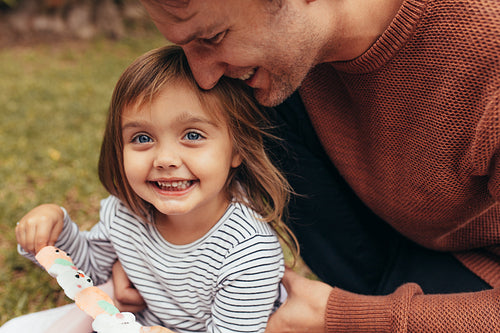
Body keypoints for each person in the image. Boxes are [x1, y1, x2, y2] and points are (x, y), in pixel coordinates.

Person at [107, 0, 499, 332]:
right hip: (386, 245)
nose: (203, 73)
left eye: (212, 38)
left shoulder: (488, 53)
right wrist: (158, 255)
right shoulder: (278, 62)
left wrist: (342, 315)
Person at [12, 45, 298, 333]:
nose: (165, 160)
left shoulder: (248, 251)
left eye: (193, 135)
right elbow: (91, 272)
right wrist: (52, 230)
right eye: (142, 137)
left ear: (237, 149)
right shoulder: (126, 211)